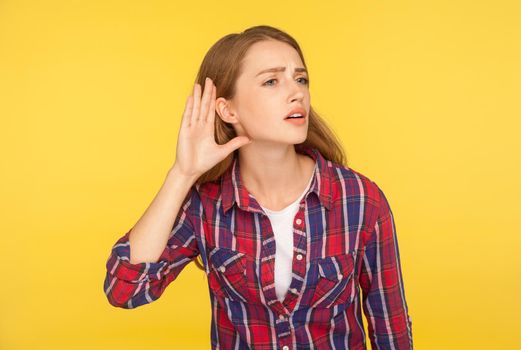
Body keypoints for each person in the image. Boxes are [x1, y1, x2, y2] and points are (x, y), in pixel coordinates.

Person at [103, 25, 413, 350]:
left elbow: (390, 330)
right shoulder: (205, 205)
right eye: (271, 81)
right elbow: (125, 290)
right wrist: (182, 173)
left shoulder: (360, 200)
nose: (297, 93)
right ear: (228, 109)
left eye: (301, 79)